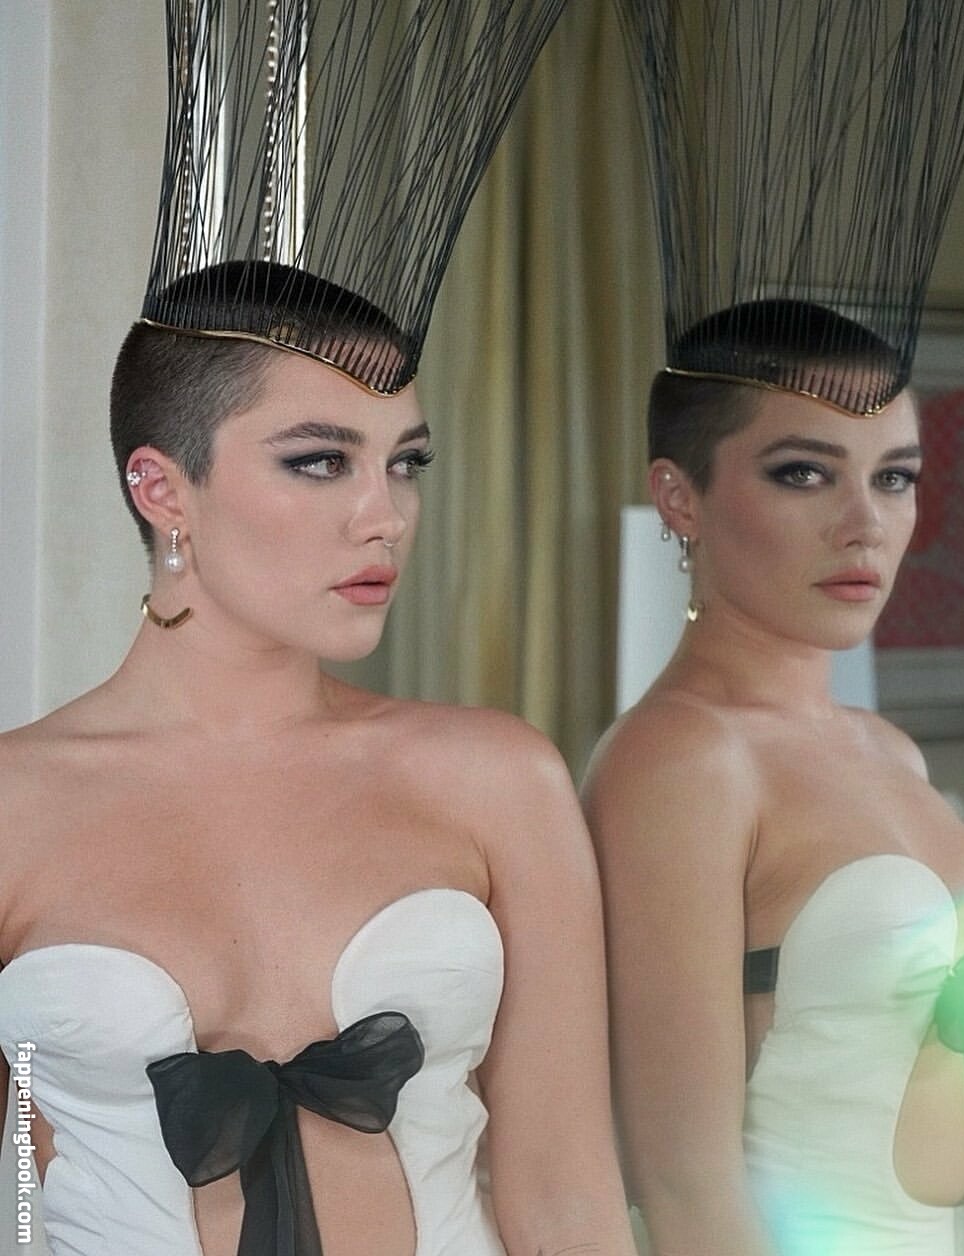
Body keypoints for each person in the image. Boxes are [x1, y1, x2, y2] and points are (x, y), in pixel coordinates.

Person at [0, 267, 636, 1256]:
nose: (385, 515)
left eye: (405, 462)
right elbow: (19, 1186)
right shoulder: (18, 806)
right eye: (321, 462)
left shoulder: (497, 779)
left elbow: (565, 1200)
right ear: (162, 489)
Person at [582, 303, 964, 1255]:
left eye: (894, 478)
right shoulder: (680, 764)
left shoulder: (888, 750)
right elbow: (684, 1186)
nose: (865, 524)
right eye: (804, 473)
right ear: (680, 498)